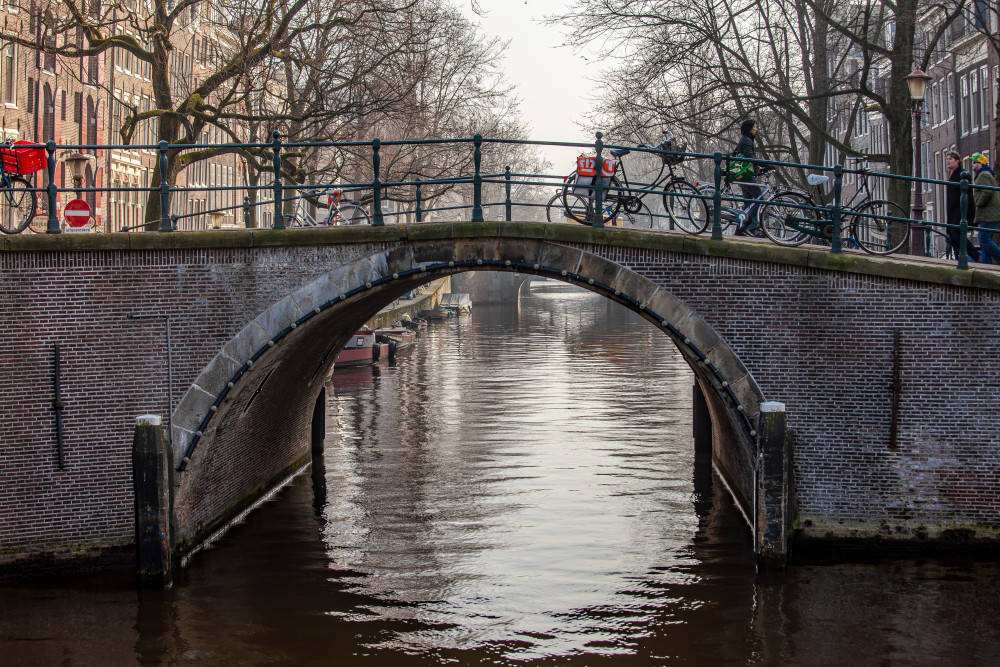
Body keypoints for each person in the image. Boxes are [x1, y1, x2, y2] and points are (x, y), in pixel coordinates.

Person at [944, 150, 981, 262]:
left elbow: (967, 195)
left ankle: (976, 256)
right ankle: (958, 260)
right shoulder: (951, 174)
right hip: (953, 211)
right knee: (953, 237)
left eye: (950, 159)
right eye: (947, 159)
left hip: (960, 211)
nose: (948, 161)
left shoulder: (962, 174)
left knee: (957, 236)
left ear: (957, 161)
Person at [733, 119, 767, 236]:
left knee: (748, 203)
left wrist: (756, 168)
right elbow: (749, 157)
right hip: (745, 175)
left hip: (743, 175)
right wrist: (765, 164)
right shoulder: (747, 141)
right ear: (749, 128)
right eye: (755, 127)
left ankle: (740, 229)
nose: (756, 129)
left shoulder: (745, 139)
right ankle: (749, 225)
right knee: (760, 199)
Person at [969, 152, 1000, 265]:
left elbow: (987, 191)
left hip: (988, 214)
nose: (972, 164)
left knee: (983, 238)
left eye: (974, 162)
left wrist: (978, 203)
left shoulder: (983, 175)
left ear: (980, 164)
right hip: (988, 213)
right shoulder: (986, 174)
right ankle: (985, 265)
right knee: (985, 241)